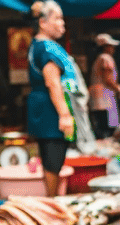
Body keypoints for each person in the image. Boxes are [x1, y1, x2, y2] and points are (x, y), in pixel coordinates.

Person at [27, 0, 76, 196]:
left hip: (46, 107)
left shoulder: (40, 45)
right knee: (53, 160)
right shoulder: (46, 48)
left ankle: (52, 199)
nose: (62, 23)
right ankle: (52, 201)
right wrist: (64, 114)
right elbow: (53, 82)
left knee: (51, 160)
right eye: (57, 18)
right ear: (43, 22)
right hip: (51, 110)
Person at [89, 33, 120, 140]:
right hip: (105, 99)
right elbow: (108, 78)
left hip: (99, 99)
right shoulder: (105, 58)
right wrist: (118, 88)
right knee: (107, 129)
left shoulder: (98, 59)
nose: (113, 48)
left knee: (101, 127)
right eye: (111, 46)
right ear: (105, 47)